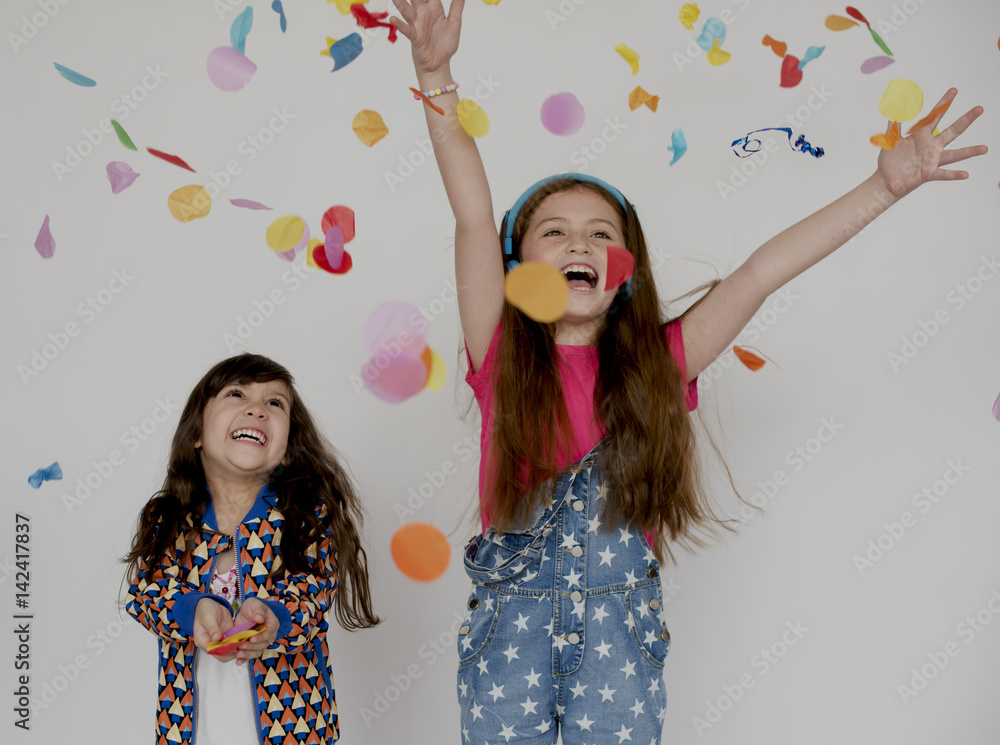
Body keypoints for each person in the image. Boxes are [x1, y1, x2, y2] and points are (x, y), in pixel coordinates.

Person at [390, 0, 986, 742]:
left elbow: (761, 272)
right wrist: (435, 73)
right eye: (555, 231)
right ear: (517, 270)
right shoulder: (501, 356)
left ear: (625, 269)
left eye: (601, 233)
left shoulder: (660, 362)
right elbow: (475, 216)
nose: (581, 240)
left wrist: (882, 189)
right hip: (510, 637)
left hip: (620, 639)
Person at [124, 354, 379, 745]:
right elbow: (147, 593)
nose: (257, 409)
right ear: (197, 433)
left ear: (289, 449)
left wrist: (272, 617)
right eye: (236, 394)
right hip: (189, 732)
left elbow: (312, 592)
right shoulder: (169, 519)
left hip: (293, 730)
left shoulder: (306, 516)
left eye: (275, 403)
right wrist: (195, 610)